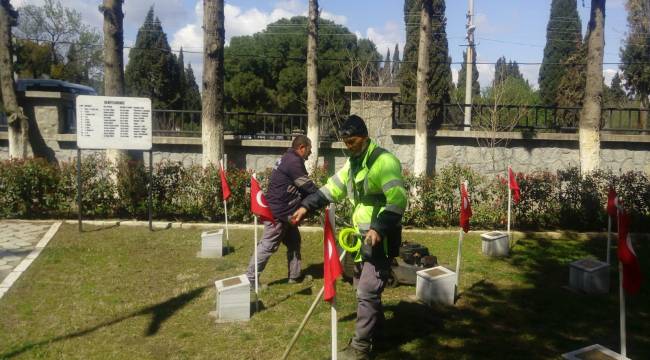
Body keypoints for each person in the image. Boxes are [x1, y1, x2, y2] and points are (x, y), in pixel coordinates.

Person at [291, 115, 407, 359]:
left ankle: (360, 348)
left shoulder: (384, 162)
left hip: (380, 239)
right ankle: (380, 333)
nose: (349, 147)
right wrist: (306, 206)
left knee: (366, 291)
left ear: (364, 138)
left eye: (353, 142)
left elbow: (398, 200)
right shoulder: (353, 163)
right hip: (359, 240)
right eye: (346, 143)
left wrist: (378, 228)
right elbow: (332, 188)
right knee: (364, 290)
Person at [246, 135, 318, 287]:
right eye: (309, 150)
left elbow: (299, 186)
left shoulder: (288, 157)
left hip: (285, 210)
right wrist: (322, 196)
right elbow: (306, 186)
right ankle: (250, 280)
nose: (310, 153)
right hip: (278, 213)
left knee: (294, 241)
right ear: (302, 148)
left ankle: (295, 276)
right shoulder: (293, 161)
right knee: (268, 245)